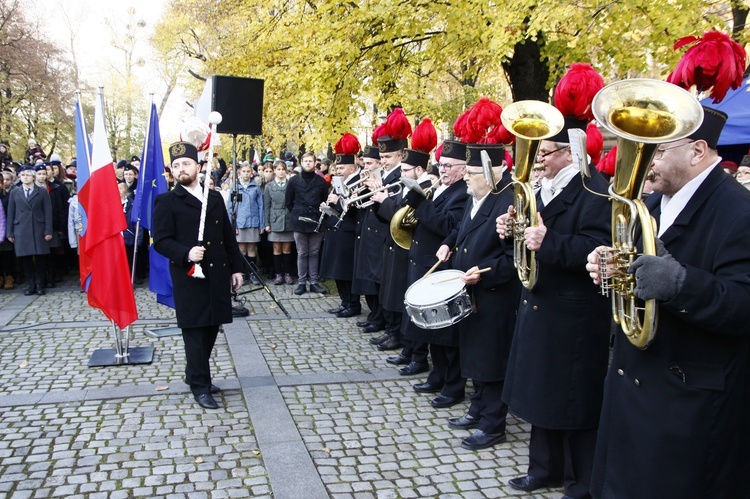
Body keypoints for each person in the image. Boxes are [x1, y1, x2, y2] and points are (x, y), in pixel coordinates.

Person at [586, 107, 750, 499]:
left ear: (697, 150)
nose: (646, 161)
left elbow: (743, 305)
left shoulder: (739, 210)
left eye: (657, 151)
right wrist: (614, 269)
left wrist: (679, 283)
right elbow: (642, 274)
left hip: (686, 404)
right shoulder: (656, 204)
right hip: (635, 383)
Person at [498, 127, 611, 497]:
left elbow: (599, 249)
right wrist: (509, 231)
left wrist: (551, 242)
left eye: (546, 153)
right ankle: (544, 468)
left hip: (574, 313)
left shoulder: (596, 190)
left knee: (575, 402)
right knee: (542, 395)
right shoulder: (542, 188)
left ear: (571, 152)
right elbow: (528, 241)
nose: (539, 160)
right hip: (541, 302)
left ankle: (580, 484)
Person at [152, 141, 244, 410]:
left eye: (186, 164)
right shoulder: (167, 201)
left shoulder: (213, 198)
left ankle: (195, 373)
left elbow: (227, 236)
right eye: (177, 165)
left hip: (216, 273)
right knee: (195, 331)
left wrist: (236, 268)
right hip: (188, 275)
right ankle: (200, 385)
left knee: (212, 327)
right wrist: (185, 253)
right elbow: (161, 240)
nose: (182, 169)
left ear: (198, 166)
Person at [394, 137, 468, 408]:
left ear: (463, 168)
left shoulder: (462, 193)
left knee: (445, 333)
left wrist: (419, 204)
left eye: (449, 166)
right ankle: (437, 377)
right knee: (430, 331)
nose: (443, 170)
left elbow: (447, 225)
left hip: (439, 268)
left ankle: (452, 385)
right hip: (422, 264)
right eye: (441, 165)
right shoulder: (440, 188)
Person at [320, 133, 362, 317]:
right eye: (337, 167)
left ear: (353, 168)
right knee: (337, 270)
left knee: (346, 270)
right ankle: (344, 301)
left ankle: (353, 304)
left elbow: (354, 210)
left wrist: (337, 201)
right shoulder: (339, 181)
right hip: (336, 228)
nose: (338, 171)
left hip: (348, 232)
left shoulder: (358, 183)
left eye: (342, 167)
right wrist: (328, 206)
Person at [352, 143, 387, 335]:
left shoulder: (383, 179)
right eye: (364, 163)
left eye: (369, 163)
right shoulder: (367, 178)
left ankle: (379, 318)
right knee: (368, 276)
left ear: (379, 163)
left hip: (379, 232)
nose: (366, 167)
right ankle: (374, 315)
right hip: (366, 229)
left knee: (377, 278)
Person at [285, 152, 329, 295]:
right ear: (301, 162)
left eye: (310, 161)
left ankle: (314, 282)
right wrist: (299, 212)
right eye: (305, 161)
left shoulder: (321, 182)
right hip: (299, 220)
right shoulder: (293, 181)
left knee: (314, 252)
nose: (308, 163)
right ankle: (302, 282)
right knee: (302, 252)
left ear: (315, 163)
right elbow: (288, 202)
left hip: (316, 219)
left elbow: (325, 200)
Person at [6, 165, 52, 295]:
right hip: (21, 229)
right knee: (25, 259)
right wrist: (9, 232)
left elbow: (48, 211)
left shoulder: (41, 191)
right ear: (19, 177)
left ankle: (39, 285)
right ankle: (30, 284)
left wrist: (48, 230)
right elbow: (11, 213)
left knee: (40, 258)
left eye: (28, 175)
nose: (25, 177)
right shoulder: (15, 192)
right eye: (23, 175)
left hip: (38, 227)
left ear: (33, 177)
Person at [229, 163, 264, 285]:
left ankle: (253, 273)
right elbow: (230, 208)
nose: (246, 174)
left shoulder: (256, 187)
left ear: (251, 173)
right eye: (243, 171)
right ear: (240, 173)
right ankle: (242, 273)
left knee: (251, 249)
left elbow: (261, 206)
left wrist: (261, 224)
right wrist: (233, 225)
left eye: (248, 171)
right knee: (241, 249)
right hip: (240, 223)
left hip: (253, 222)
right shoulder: (235, 187)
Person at [263, 160, 295, 284]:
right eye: (278, 169)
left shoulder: (290, 185)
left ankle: (287, 273)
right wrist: (267, 223)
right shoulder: (269, 187)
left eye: (283, 169)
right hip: (275, 219)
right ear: (274, 170)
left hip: (287, 219)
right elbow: (267, 206)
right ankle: (278, 274)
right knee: (276, 248)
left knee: (287, 248)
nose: (281, 172)